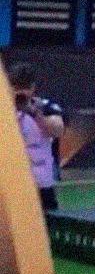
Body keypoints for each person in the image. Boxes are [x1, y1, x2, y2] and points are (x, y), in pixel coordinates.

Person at [9, 62, 66, 211]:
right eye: (16, 88)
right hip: (12, 183)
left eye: (25, 88)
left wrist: (34, 113)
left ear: (32, 88)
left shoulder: (45, 106)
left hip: (41, 183)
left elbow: (58, 130)